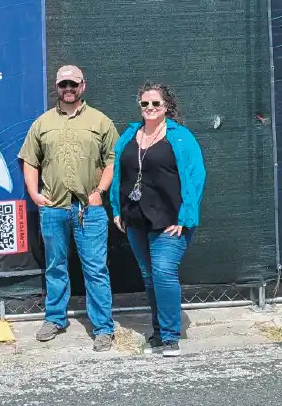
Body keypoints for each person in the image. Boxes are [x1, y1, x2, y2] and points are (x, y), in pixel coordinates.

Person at [18, 64, 120, 351]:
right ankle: (55, 319)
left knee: (96, 270)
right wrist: (34, 194)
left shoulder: (101, 122)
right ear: (57, 87)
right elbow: (30, 160)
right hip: (53, 209)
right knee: (55, 266)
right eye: (63, 84)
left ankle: (102, 328)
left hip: (90, 210)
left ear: (83, 86)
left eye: (73, 84)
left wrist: (100, 192)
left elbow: (113, 159)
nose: (68, 89)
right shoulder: (42, 123)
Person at [109, 83, 205, 357]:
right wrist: (117, 209)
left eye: (155, 104)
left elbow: (196, 177)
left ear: (166, 107)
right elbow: (119, 175)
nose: (150, 109)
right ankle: (158, 332)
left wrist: (185, 217)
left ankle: (171, 336)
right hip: (136, 220)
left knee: (163, 272)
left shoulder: (181, 137)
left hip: (171, 221)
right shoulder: (129, 135)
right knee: (150, 277)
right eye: (145, 104)